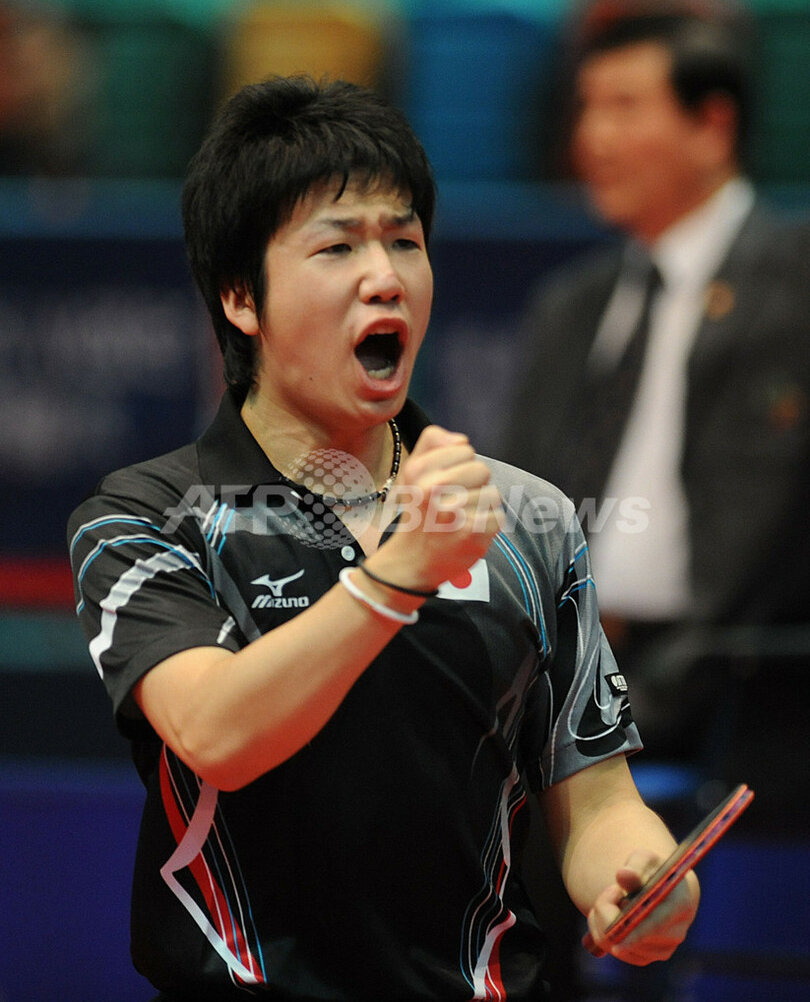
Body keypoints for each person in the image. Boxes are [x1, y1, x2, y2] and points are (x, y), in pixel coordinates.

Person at [67, 75, 698, 1001]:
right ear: (241, 297)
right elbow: (217, 731)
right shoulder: (146, 517)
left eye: (404, 240)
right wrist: (397, 573)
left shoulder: (526, 519)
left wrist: (640, 875)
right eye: (338, 246)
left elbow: (597, 800)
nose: (386, 276)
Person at [501, 5, 810, 784]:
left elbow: (764, 553)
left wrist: (611, 716)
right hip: (571, 690)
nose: (592, 138)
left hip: (744, 716)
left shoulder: (796, 288)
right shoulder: (571, 305)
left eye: (625, 106)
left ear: (712, 126)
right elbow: (516, 512)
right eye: (586, 108)